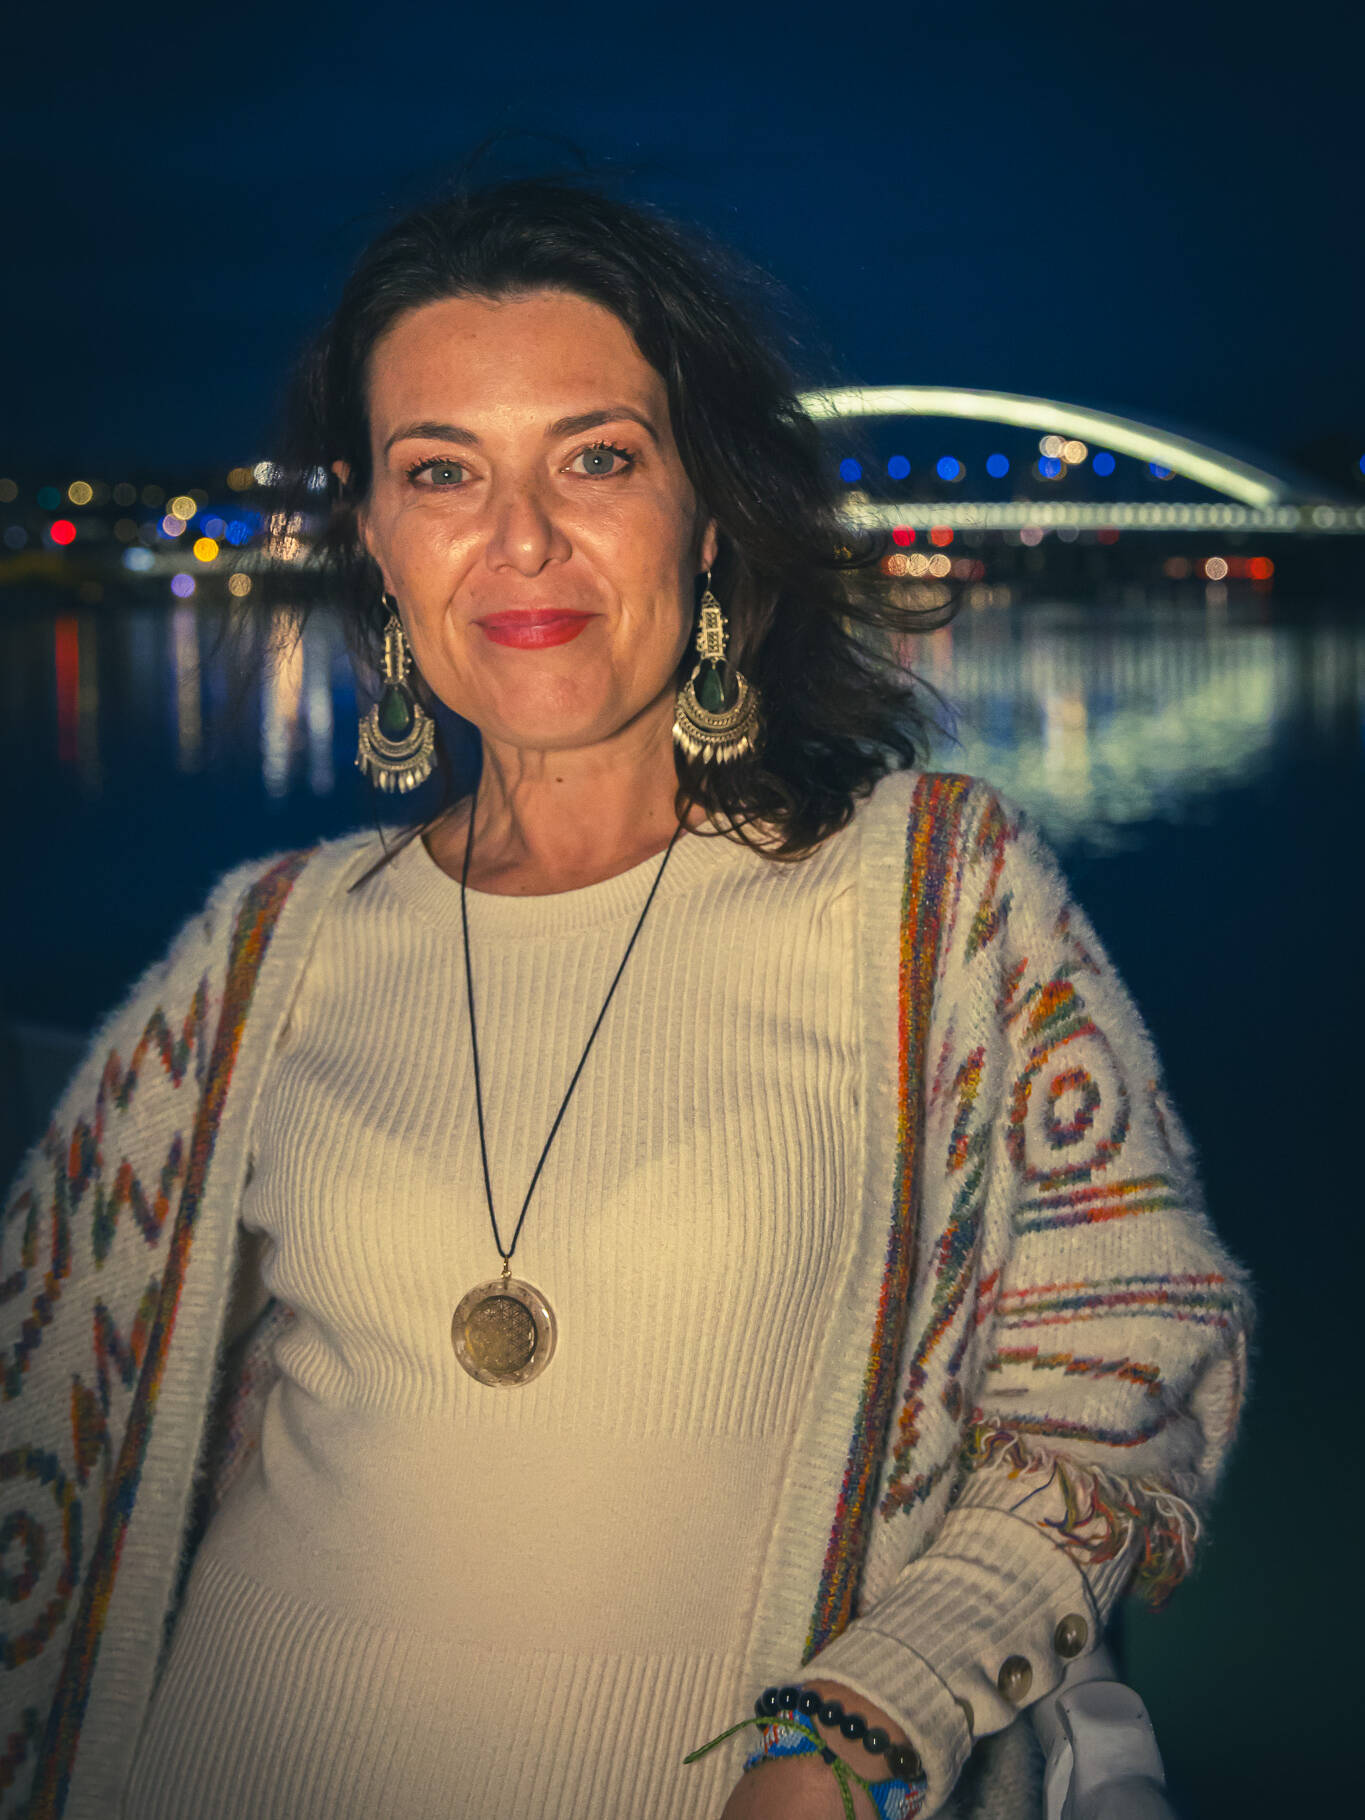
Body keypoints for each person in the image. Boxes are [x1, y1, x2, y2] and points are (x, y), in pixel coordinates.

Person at [0, 176, 1255, 1820]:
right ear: (376, 538)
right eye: (440, 472)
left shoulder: (935, 904)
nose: (520, 539)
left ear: (707, 510)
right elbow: (46, 1412)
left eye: (595, 460)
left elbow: (1128, 1370)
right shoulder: (265, 947)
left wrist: (856, 1730)